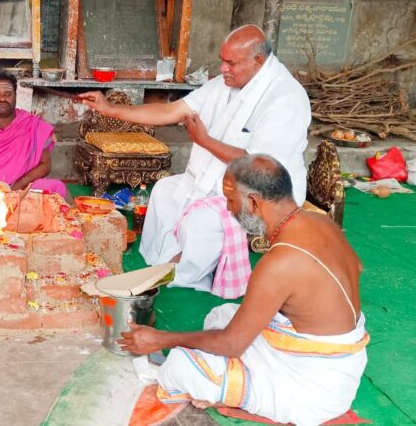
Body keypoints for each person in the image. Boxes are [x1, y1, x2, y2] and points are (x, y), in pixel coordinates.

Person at [119, 155, 368, 425]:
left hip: (310, 388)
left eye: (230, 200)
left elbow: (233, 344)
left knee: (179, 367)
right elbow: (357, 266)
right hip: (340, 361)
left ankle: (229, 392)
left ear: (252, 202)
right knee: (222, 314)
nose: (228, 208)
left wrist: (161, 339)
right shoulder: (322, 223)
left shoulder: (280, 262)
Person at [79, 25, 311, 297]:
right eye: (222, 60)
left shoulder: (286, 98)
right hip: (216, 181)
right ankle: (164, 264)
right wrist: (111, 109)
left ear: (257, 61)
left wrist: (205, 142)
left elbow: (262, 165)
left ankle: (181, 276)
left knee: (201, 221)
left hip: (258, 193)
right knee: (164, 192)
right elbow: (171, 110)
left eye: (231, 63)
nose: (222, 68)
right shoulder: (224, 84)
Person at [0, 72, 68, 198]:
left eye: (8, 94)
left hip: (19, 190)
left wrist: (19, 184)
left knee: (56, 187)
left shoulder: (31, 124)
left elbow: (46, 164)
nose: (2, 99)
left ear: (15, 96)